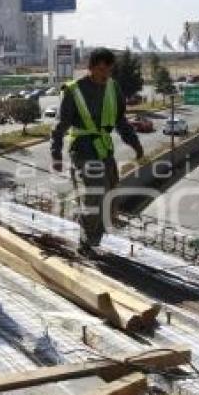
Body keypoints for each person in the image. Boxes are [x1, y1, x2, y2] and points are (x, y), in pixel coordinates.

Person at [51, 48, 144, 257]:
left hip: (104, 149)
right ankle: (86, 242)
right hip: (82, 150)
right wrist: (56, 154)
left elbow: (121, 121)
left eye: (109, 70)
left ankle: (93, 236)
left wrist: (135, 144)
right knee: (93, 195)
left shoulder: (113, 88)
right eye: (101, 69)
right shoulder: (73, 91)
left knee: (109, 196)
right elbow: (60, 126)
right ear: (90, 68)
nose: (105, 74)